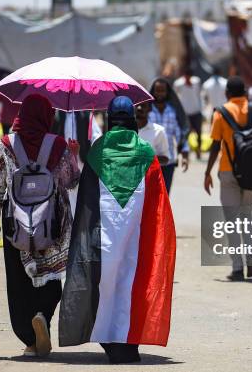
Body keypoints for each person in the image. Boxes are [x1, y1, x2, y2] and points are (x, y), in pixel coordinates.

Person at [59, 96, 176, 364]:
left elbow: (87, 199)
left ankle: (110, 341)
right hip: (135, 237)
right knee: (130, 286)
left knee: (104, 285)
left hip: (103, 237)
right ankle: (127, 343)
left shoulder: (98, 150)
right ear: (132, 119)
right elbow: (159, 203)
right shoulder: (146, 151)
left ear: (110, 118)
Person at [0, 94, 80, 357]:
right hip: (51, 222)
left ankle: (29, 340)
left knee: (18, 281)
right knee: (50, 276)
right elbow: (71, 181)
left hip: (15, 221)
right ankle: (43, 315)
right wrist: (74, 156)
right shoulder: (58, 145)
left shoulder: (7, 143)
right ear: (47, 116)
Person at [204, 76, 252, 281]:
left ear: (227, 94)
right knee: (247, 216)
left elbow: (215, 146)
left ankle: (237, 267)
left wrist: (207, 173)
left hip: (228, 171)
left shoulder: (221, 113)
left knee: (232, 221)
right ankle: (251, 258)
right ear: (245, 92)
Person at [149, 77, 190, 192]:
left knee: (165, 195)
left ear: (167, 93)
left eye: (163, 91)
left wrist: (185, 155)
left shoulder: (172, 111)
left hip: (169, 161)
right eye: (157, 90)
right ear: (153, 91)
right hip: (149, 161)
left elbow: (179, 133)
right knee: (150, 195)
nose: (160, 94)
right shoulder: (146, 110)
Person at [174, 68, 203, 159]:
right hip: (185, 112)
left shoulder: (196, 81)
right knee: (185, 133)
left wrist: (202, 108)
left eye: (189, 77)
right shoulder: (178, 83)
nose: (188, 78)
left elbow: (199, 94)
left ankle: (198, 151)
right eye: (186, 76)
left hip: (196, 111)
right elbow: (175, 96)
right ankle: (186, 152)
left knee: (199, 132)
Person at [136, 101, 170, 166]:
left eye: (143, 105)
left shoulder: (159, 131)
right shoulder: (125, 130)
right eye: (137, 105)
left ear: (150, 109)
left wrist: (148, 158)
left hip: (150, 175)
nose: (139, 108)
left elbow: (165, 159)